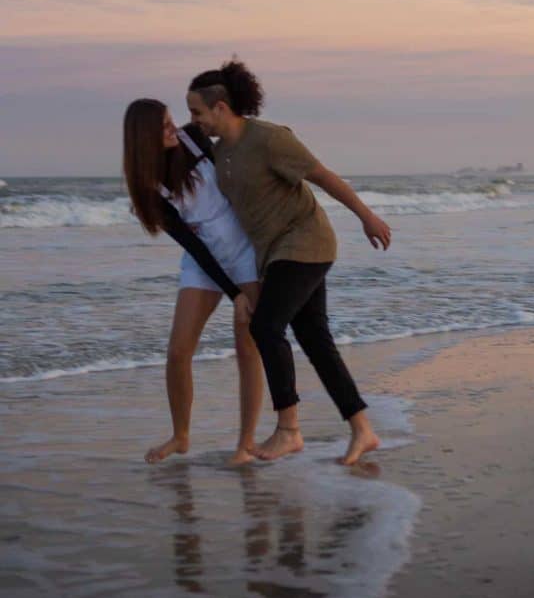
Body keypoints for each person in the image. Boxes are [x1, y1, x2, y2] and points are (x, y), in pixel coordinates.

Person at [185, 59, 392, 467]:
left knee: (265, 326)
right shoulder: (219, 149)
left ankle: (289, 429)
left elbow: (323, 176)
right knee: (316, 341)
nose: (193, 121)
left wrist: (366, 215)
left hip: (305, 241)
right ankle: (363, 429)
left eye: (197, 112)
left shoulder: (269, 139)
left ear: (220, 108)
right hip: (274, 252)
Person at [123, 99, 263, 466]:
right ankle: (181, 435)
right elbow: (194, 246)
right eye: (165, 126)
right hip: (205, 261)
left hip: (246, 250)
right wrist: (232, 293)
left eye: (172, 121)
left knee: (247, 345)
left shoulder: (194, 139)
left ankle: (245, 443)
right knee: (177, 350)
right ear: (144, 139)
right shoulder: (149, 187)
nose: (175, 129)